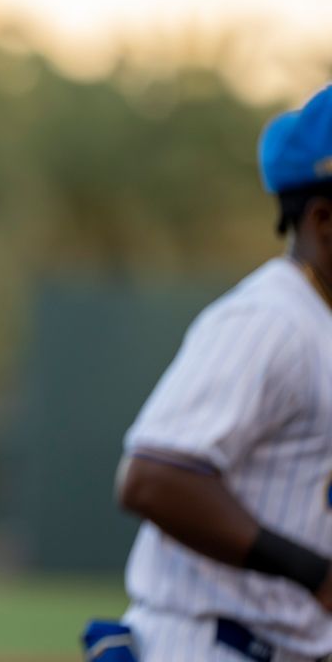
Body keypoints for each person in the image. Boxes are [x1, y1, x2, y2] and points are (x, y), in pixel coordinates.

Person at [107, 84, 332, 661]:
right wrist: (315, 574)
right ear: (324, 219)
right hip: (212, 645)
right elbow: (154, 476)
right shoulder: (268, 320)